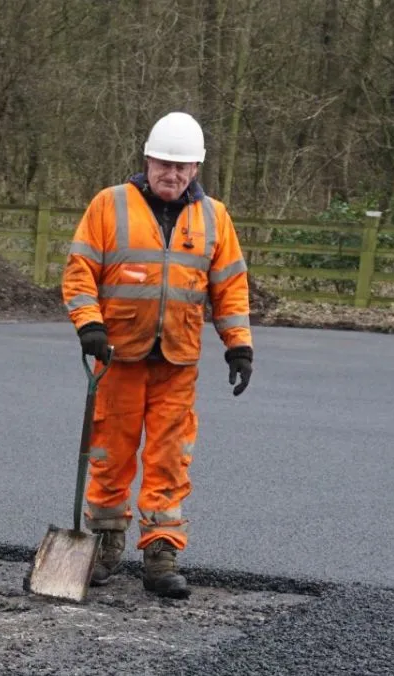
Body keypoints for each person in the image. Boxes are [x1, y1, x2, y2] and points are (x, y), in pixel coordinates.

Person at [60, 112, 254, 599]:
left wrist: (240, 345)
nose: (172, 174)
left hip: (177, 361)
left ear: (196, 169)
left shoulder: (215, 217)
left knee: (171, 458)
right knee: (111, 452)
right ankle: (104, 544)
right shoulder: (109, 205)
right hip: (118, 355)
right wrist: (89, 325)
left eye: (182, 166)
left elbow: (229, 285)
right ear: (147, 159)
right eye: (164, 163)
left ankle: (161, 553)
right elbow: (79, 269)